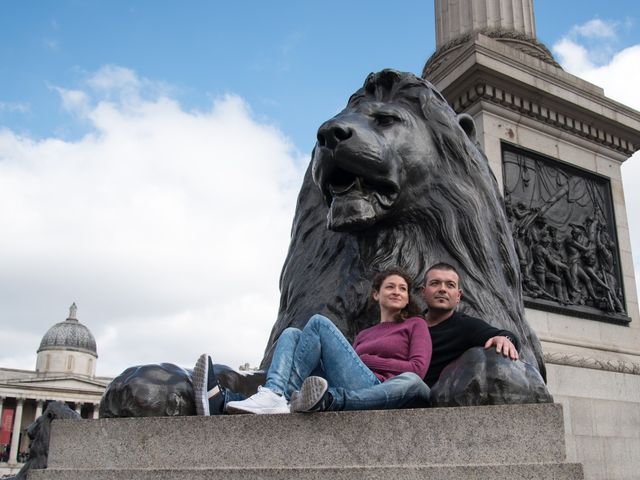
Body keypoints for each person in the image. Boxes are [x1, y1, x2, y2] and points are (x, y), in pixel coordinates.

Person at [193, 268, 432, 414]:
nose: (397, 291)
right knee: (291, 335)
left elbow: (417, 369)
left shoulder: (415, 324)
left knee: (319, 323)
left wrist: (367, 360)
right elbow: (347, 367)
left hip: (380, 388)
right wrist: (361, 360)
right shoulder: (364, 335)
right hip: (349, 382)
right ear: (376, 294)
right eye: (390, 286)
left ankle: (272, 397)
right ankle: (266, 395)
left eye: (402, 288)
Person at [422, 262, 520, 388]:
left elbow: (505, 336)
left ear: (458, 296)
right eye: (435, 283)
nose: (442, 289)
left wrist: (505, 339)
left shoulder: (467, 326)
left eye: (450, 285)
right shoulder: (408, 323)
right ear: (423, 292)